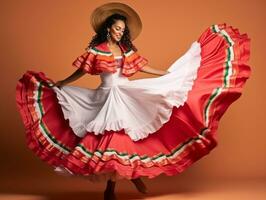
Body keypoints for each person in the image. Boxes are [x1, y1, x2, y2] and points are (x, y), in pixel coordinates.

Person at [15, 2, 251, 200]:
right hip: (106, 96)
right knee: (109, 140)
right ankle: (115, 186)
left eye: (122, 30)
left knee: (127, 137)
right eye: (117, 29)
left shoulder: (125, 49)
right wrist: (63, 83)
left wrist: (164, 74)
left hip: (126, 93)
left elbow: (142, 67)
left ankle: (129, 178)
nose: (120, 32)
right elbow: (84, 72)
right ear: (108, 28)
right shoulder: (97, 50)